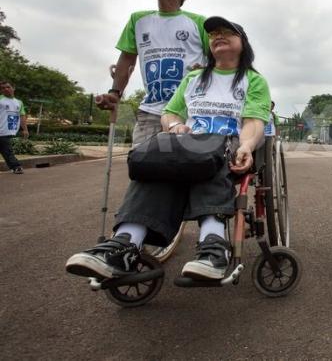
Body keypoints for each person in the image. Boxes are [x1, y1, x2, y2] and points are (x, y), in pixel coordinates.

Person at [66, 16, 270, 280]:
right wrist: (174, 126)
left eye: (226, 32)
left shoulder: (253, 80)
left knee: (210, 157)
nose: (217, 36)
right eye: (213, 34)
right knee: (156, 164)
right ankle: (125, 243)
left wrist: (247, 145)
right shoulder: (194, 78)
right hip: (187, 140)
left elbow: (254, 120)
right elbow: (170, 113)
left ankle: (213, 245)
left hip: (227, 141)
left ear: (243, 43)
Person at [96, 0, 209, 145]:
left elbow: (219, 61)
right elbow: (127, 59)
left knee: (186, 168)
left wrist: (206, 69)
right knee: (142, 165)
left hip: (190, 109)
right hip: (151, 110)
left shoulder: (199, 22)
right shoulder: (138, 20)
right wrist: (115, 93)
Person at [0, 81, 29, 174]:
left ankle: (15, 166)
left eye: (8, 87)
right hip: (1, 131)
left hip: (9, 130)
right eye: (3, 88)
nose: (5, 89)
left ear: (13, 88)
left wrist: (25, 129)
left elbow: (22, 116)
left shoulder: (19, 102)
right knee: (6, 149)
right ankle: (16, 166)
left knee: (5, 149)